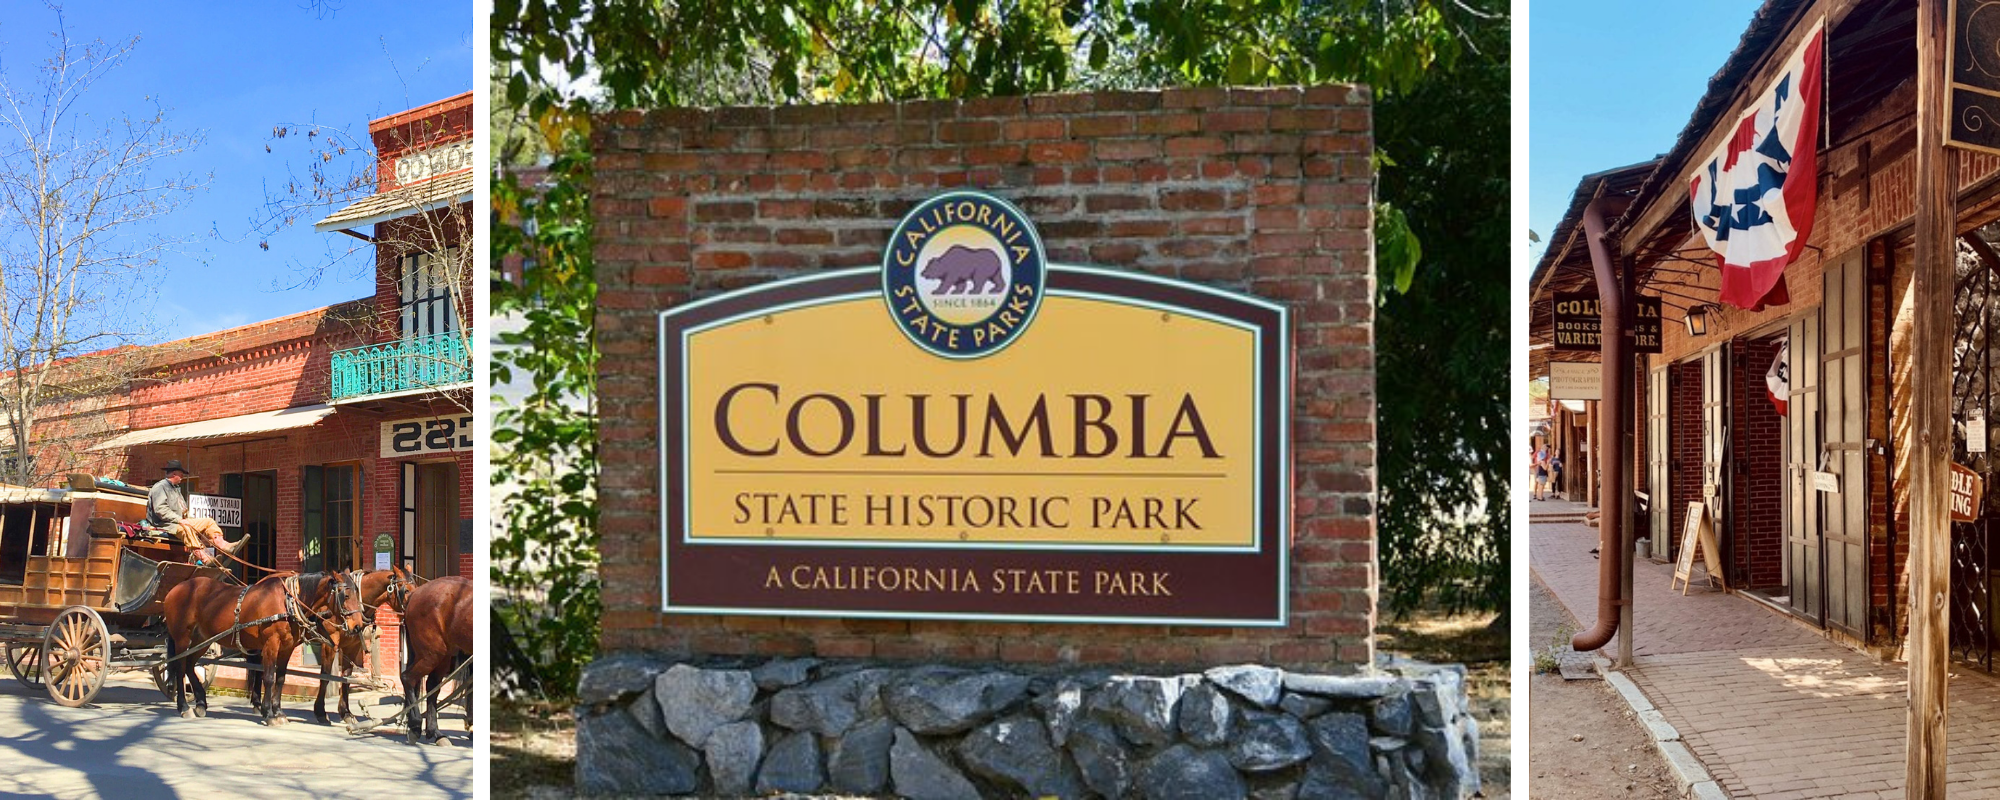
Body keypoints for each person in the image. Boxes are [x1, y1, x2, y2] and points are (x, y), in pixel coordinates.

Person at [147, 460, 240, 560]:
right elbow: (160, 509)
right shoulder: (160, 487)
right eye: (181, 474)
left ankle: (224, 546)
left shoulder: (175, 489)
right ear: (174, 474)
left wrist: (191, 519)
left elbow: (183, 509)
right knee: (186, 527)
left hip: (178, 522)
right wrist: (179, 519)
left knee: (209, 522)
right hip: (164, 524)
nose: (182, 477)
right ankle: (203, 558)